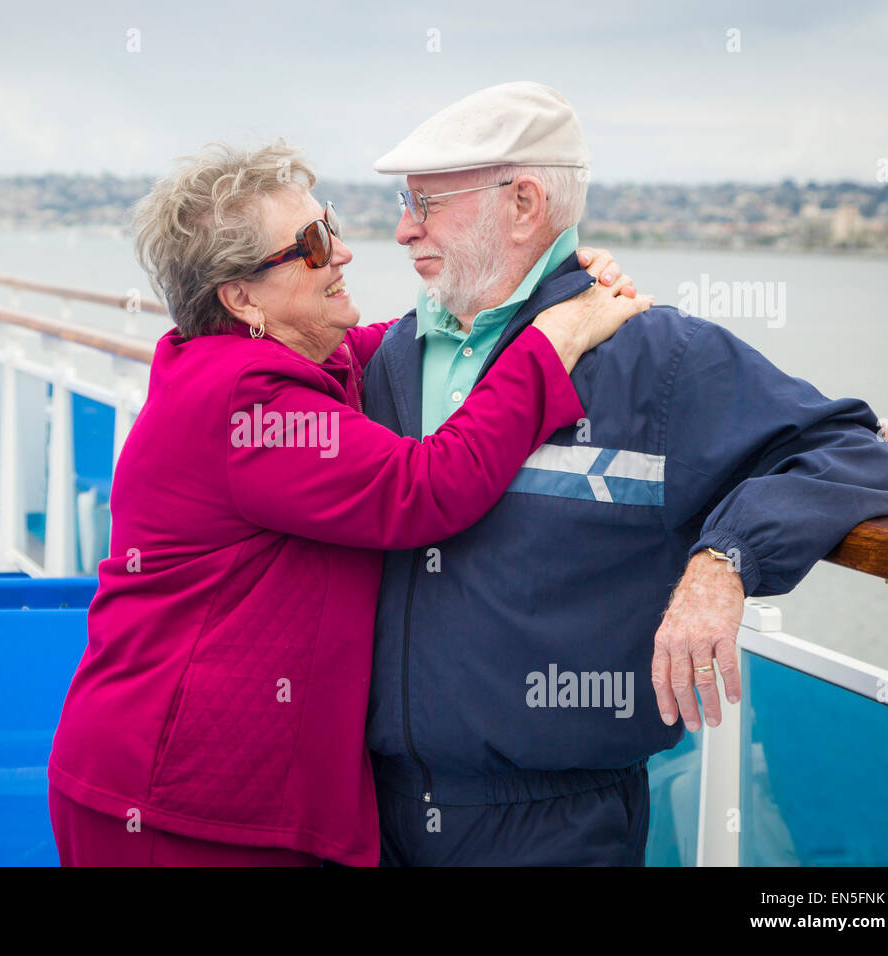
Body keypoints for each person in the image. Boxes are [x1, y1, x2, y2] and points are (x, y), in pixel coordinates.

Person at [47, 140, 648, 866]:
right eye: (310, 245)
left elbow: (414, 341)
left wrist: (548, 279)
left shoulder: (293, 361)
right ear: (241, 298)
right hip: (177, 804)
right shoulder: (249, 404)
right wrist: (554, 340)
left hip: (199, 787)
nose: (343, 254)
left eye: (327, 225)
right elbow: (426, 488)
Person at [363, 81, 888, 865]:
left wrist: (725, 561)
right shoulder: (393, 360)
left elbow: (849, 450)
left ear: (523, 205)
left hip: (554, 830)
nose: (402, 226)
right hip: (373, 815)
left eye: (425, 200)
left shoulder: (660, 361)